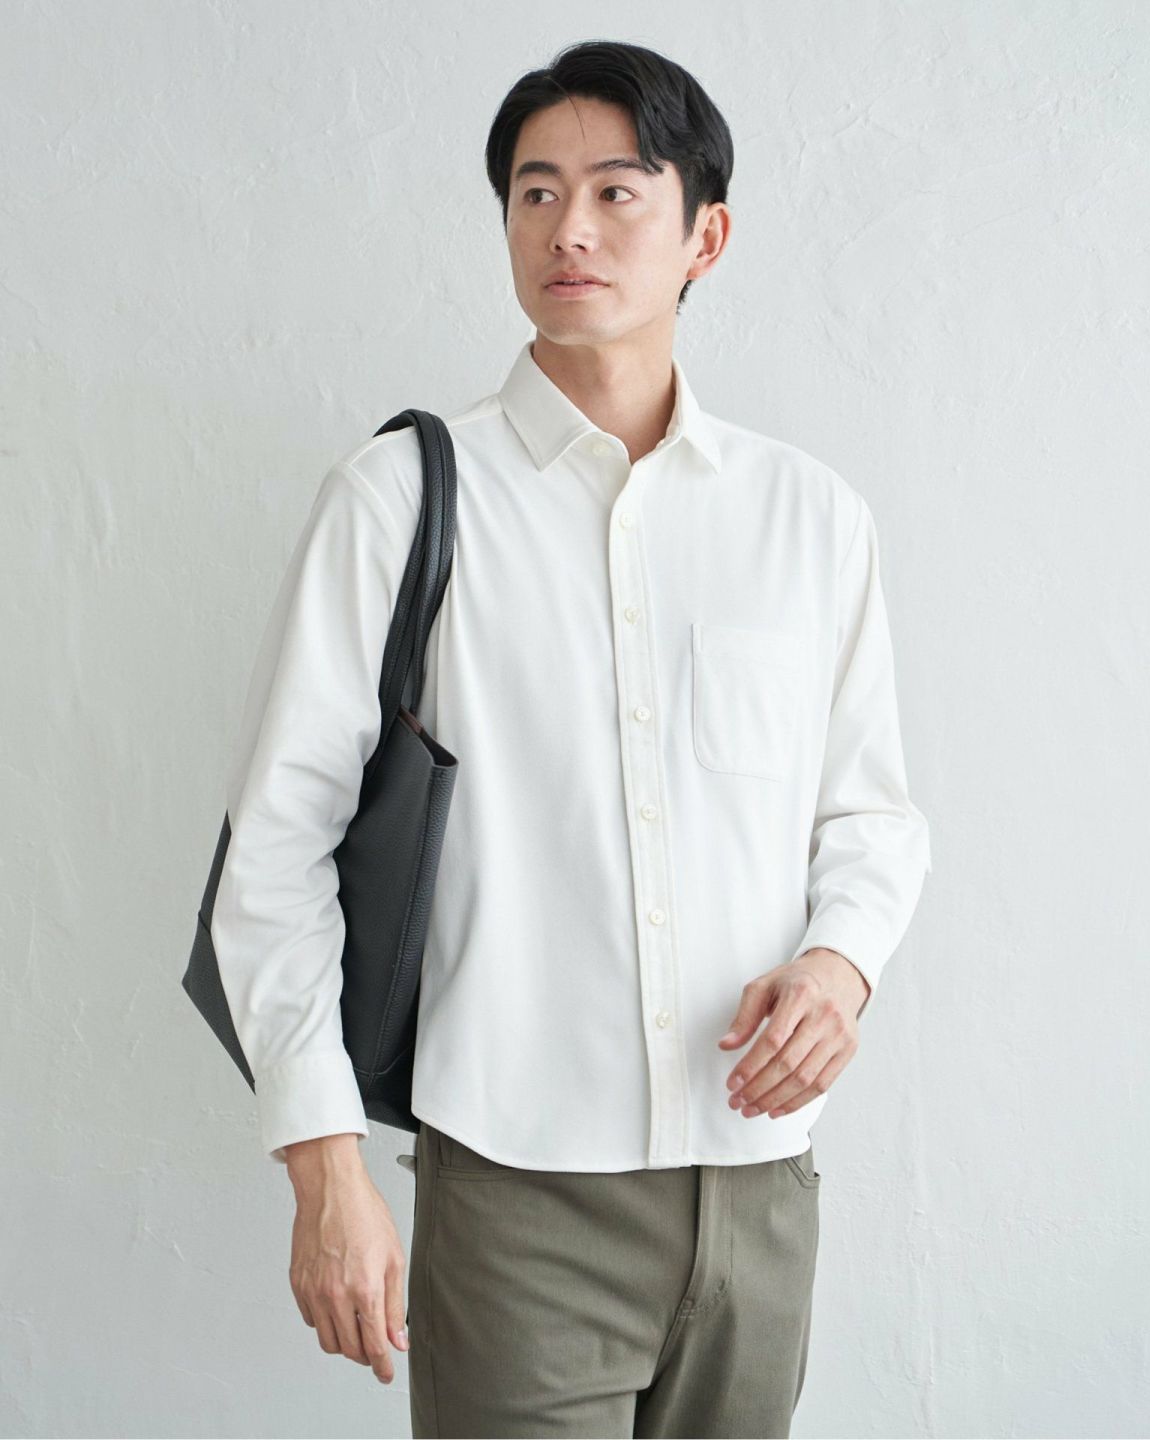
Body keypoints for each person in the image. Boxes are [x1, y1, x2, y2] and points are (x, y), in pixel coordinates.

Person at [208, 38, 932, 1440]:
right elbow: (276, 847)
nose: (569, 229)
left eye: (616, 191)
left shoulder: (809, 519)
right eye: (535, 193)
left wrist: (840, 965)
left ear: (705, 237)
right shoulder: (400, 500)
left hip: (761, 1190)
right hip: (517, 1199)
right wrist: (324, 1167)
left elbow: (871, 817)